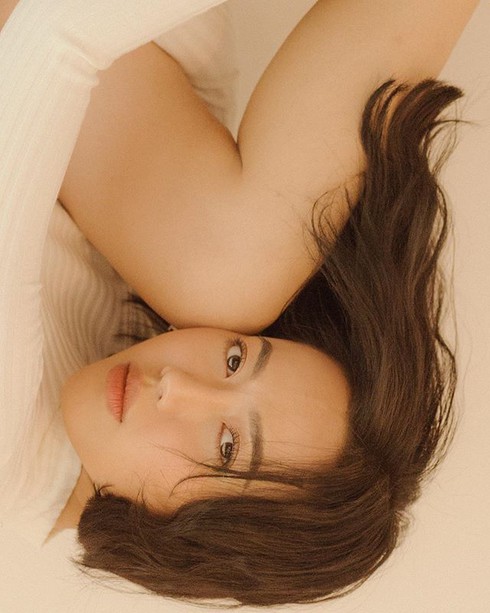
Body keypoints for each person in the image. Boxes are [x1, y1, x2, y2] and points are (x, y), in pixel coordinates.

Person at [0, 0, 478, 607]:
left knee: (228, 274)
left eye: (227, 448)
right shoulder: (170, 297)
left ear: (197, 540)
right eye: (234, 358)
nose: (176, 385)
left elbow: (51, 35)